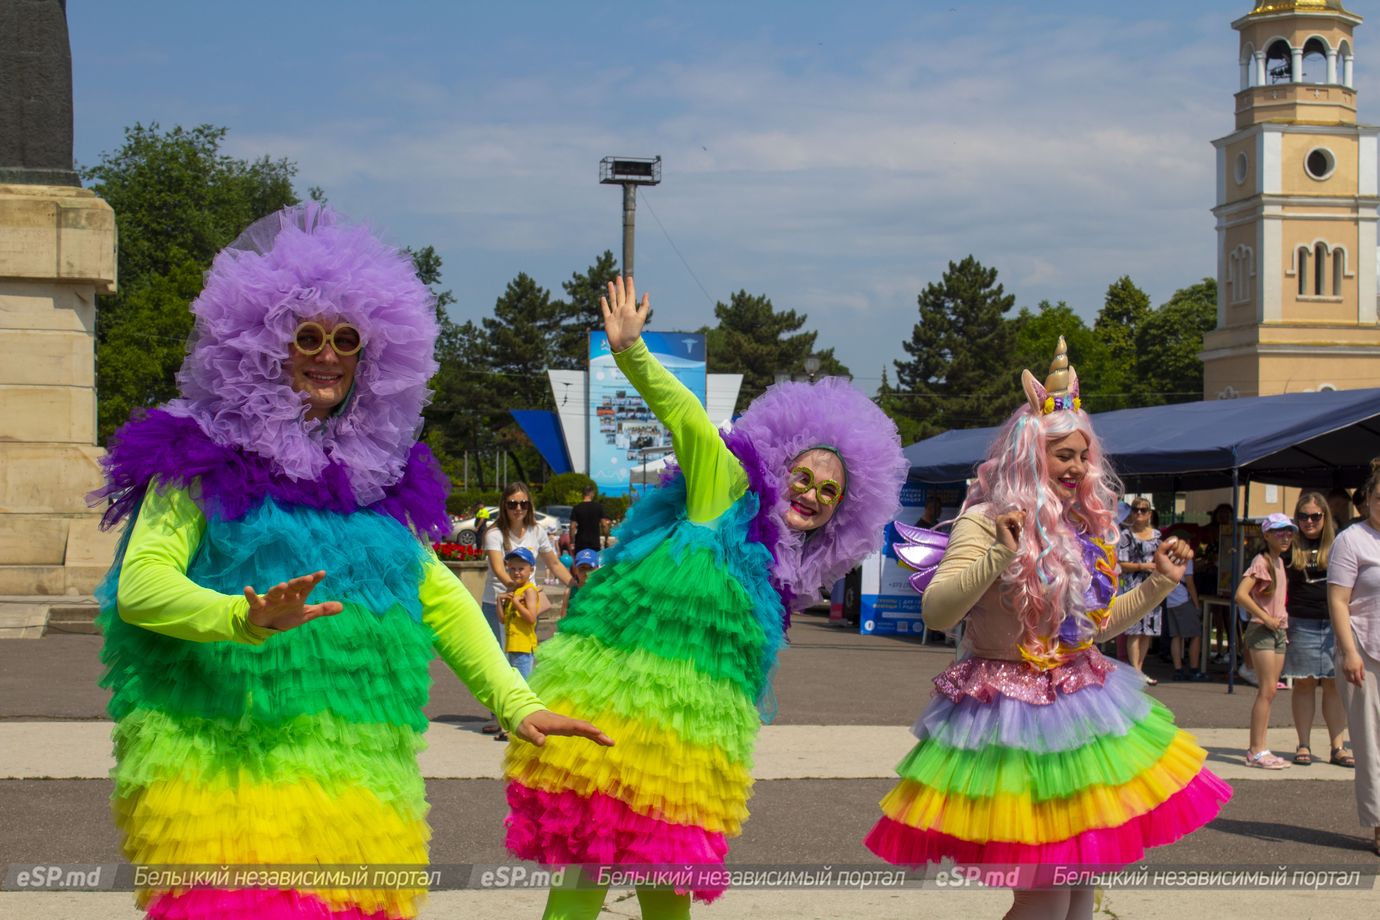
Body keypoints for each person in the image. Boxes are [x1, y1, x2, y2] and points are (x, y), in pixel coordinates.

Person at [89, 205, 610, 920]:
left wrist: (516, 702)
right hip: (228, 769)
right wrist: (241, 617)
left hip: (355, 777)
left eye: (346, 339)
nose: (327, 353)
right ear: (264, 346)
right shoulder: (197, 459)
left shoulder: (380, 477)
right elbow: (141, 587)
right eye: (307, 335)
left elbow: (436, 596)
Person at [503, 277, 908, 917]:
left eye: (829, 493)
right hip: (617, 712)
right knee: (582, 878)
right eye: (803, 476)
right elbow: (687, 417)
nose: (810, 496)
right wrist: (633, 354)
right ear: (780, 468)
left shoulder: (782, 567)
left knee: (669, 883)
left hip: (690, 742)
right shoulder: (726, 488)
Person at [864, 337, 1229, 920]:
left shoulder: (1082, 528)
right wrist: (1000, 557)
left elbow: (1096, 628)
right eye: (1064, 455)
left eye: (1083, 456)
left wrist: (1159, 583)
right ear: (1030, 456)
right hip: (1009, 718)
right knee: (1045, 896)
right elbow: (938, 613)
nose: (1077, 467)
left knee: (1078, 890)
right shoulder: (987, 521)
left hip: (1081, 712)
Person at [481, 481, 570, 733]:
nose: (518, 508)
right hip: (498, 603)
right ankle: (500, 714)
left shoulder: (536, 531)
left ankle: (520, 712)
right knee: (498, 660)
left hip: (526, 606)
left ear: (529, 505)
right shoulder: (494, 533)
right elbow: (499, 568)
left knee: (523, 658)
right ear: (504, 506)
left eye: (523, 503)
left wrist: (574, 584)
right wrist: (515, 588)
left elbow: (553, 563)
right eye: (512, 504)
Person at [1329, 460, 1380, 856]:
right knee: (1369, 744)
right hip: (1364, 649)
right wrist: (1349, 652)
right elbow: (1338, 601)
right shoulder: (1352, 540)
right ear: (1366, 501)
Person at [1284, 492, 1351, 767]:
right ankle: (1303, 744)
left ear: (1325, 517)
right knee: (1304, 683)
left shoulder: (1339, 544)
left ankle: (1338, 747)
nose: (1309, 521)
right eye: (1303, 516)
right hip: (1301, 621)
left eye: (1315, 516)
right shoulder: (1288, 545)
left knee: (1335, 685)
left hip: (1335, 623)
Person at [1236, 513, 1297, 769]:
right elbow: (1241, 594)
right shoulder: (1261, 561)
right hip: (1262, 630)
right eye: (1279, 531)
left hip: (1277, 631)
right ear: (1267, 534)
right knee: (1266, 690)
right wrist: (1265, 617)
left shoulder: (1280, 562)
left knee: (1271, 691)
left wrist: (1281, 624)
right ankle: (1256, 750)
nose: (1285, 536)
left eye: (1289, 531)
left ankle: (1261, 747)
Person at [496, 547, 543, 742]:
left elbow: (531, 618)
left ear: (531, 569)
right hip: (512, 646)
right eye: (512, 568)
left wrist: (516, 603)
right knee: (514, 687)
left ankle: (524, 727)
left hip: (524, 647)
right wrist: (501, 601)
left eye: (521, 568)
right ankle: (514, 727)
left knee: (522, 689)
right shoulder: (513, 591)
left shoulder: (529, 591)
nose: (516, 572)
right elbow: (502, 620)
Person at [1118, 498, 1164, 685]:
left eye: (1143, 510)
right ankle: (1135, 672)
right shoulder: (1125, 536)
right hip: (1133, 585)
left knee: (1148, 630)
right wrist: (1141, 565)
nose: (1139, 513)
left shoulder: (1158, 536)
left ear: (1149, 514)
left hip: (1153, 585)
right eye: (1136, 510)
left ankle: (1139, 667)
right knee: (1134, 630)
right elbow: (1121, 563)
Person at [1167, 557, 1208, 681]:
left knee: (1176, 636)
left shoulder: (1167, 557)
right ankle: (1194, 669)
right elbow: (1190, 583)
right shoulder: (1186, 559)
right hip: (1183, 599)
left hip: (1170, 600)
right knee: (1195, 634)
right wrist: (1196, 604)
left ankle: (1178, 669)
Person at [559, 548, 600, 620]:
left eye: (590, 568)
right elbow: (563, 616)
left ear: (597, 569)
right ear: (576, 570)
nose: (585, 572)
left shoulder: (600, 591)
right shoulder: (569, 592)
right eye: (582, 568)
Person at [570, 485, 606, 553]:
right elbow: (604, 525)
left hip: (580, 544)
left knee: (580, 562)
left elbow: (572, 527)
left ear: (583, 494)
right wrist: (606, 539)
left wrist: (572, 542)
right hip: (594, 544)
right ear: (591, 493)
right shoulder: (598, 507)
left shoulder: (576, 508)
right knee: (594, 563)